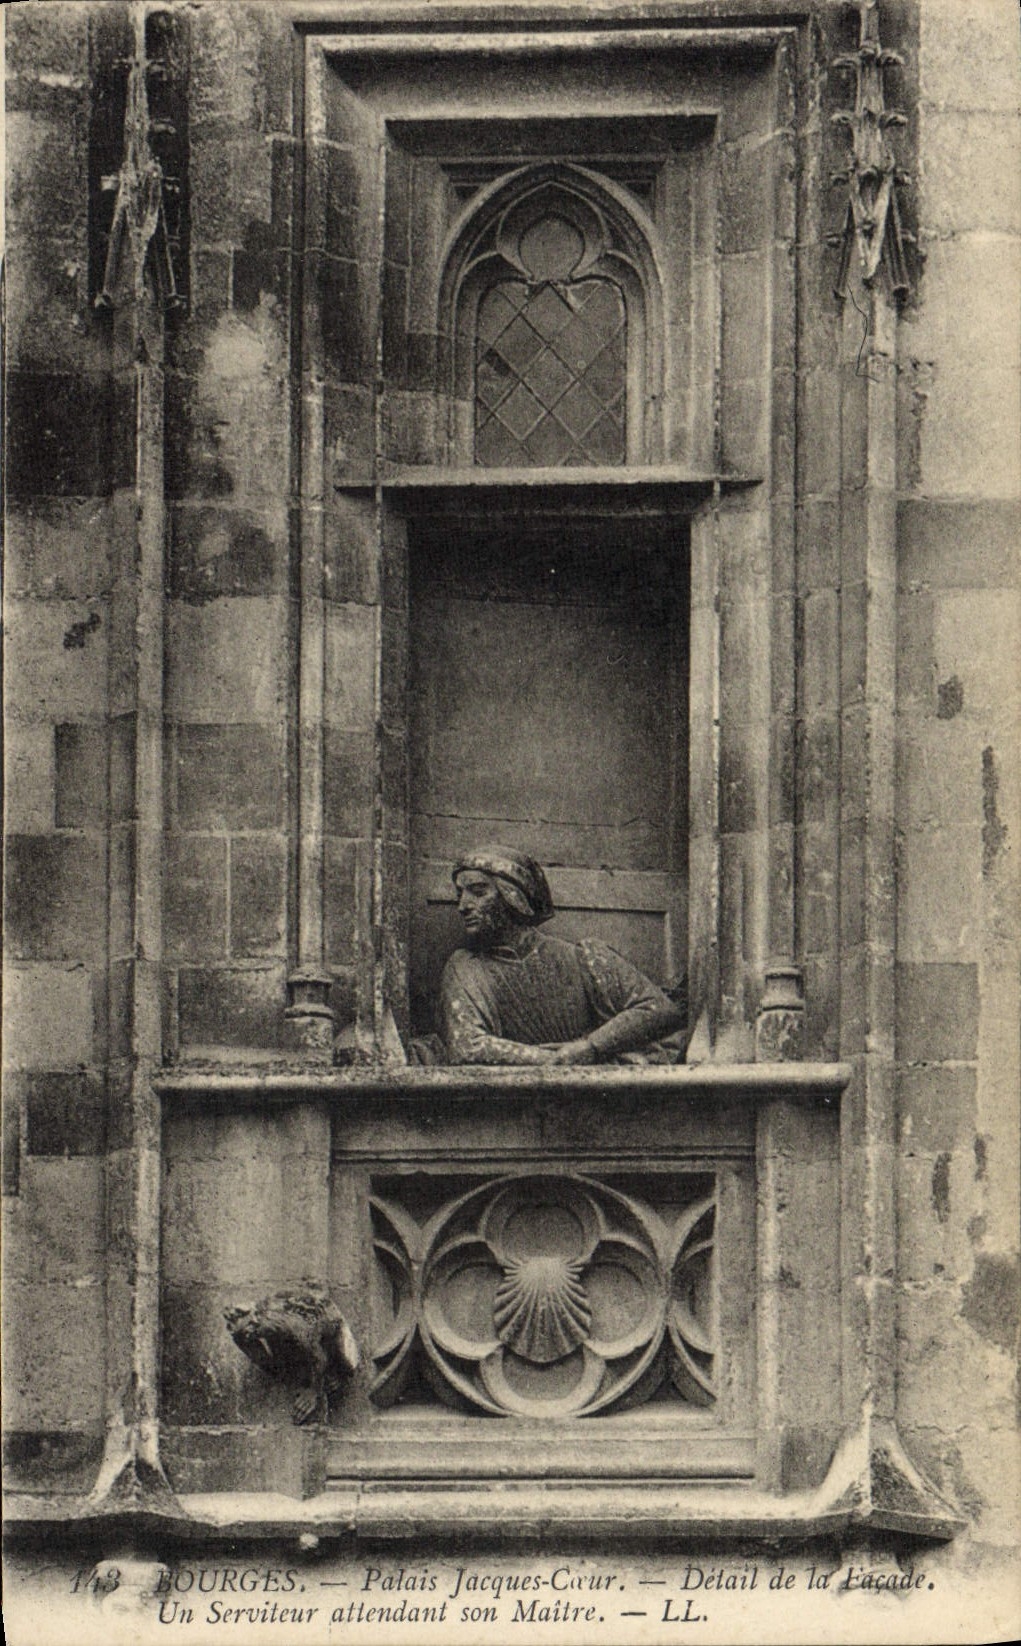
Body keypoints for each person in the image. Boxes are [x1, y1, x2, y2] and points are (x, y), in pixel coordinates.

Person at [433, 845, 687, 1066]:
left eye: (478, 892)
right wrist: (556, 1059)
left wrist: (591, 1047)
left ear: (513, 896)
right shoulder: (466, 967)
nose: (463, 906)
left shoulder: (585, 958)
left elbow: (659, 1009)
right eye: (460, 894)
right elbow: (467, 1046)